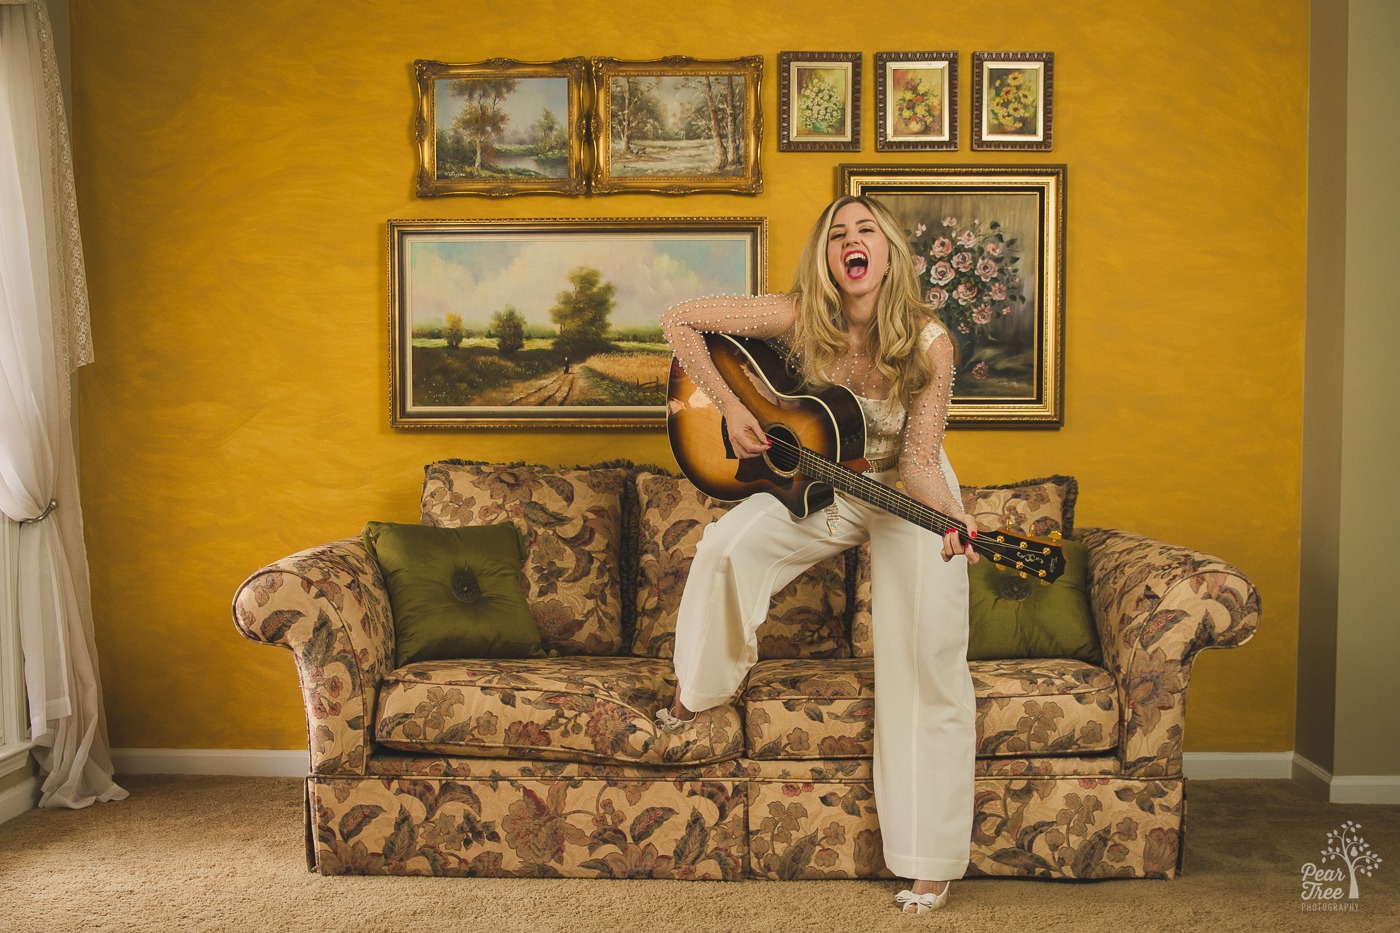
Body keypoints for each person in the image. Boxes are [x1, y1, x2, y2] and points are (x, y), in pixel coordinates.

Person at [656, 195, 980, 915]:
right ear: (827, 256)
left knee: (925, 656)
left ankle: (928, 858)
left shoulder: (930, 343)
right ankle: (697, 692)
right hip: (826, 478)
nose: (851, 240)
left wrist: (951, 516)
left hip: (907, 490)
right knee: (725, 545)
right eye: (838, 233)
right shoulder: (801, 313)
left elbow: (921, 460)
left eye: (866, 230)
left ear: (888, 250)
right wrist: (733, 407)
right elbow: (679, 321)